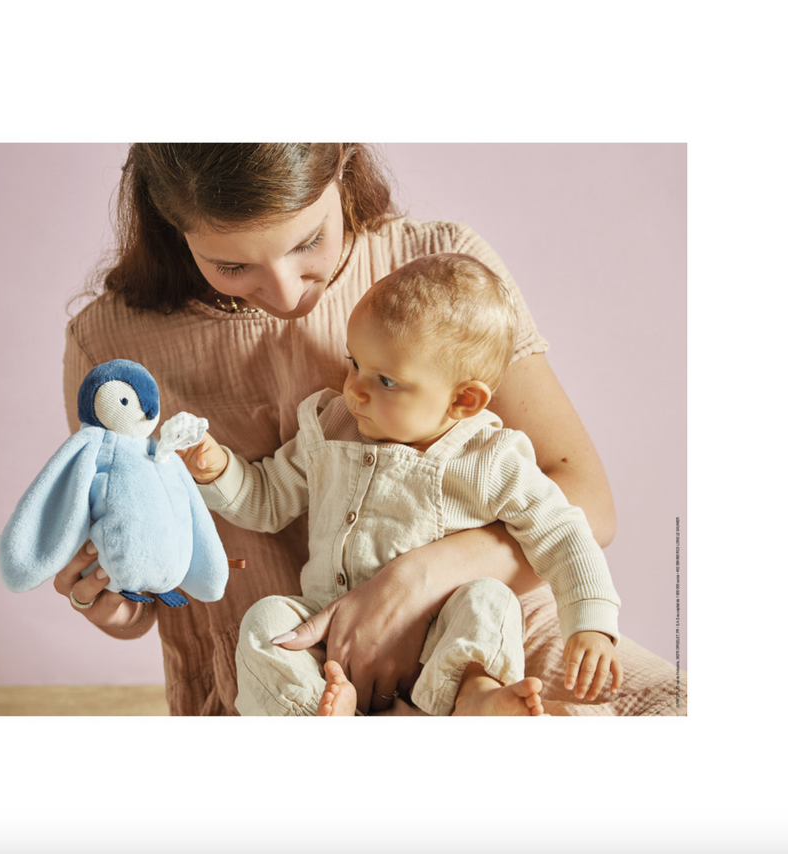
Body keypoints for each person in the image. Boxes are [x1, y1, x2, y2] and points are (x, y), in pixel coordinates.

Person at [55, 143, 685, 716]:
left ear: (343, 162)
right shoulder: (114, 355)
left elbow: (582, 505)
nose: (284, 294)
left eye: (309, 242)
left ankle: (472, 698)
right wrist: (108, 596)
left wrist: (414, 583)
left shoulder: (440, 276)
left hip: (496, 641)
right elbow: (167, 560)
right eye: (230, 265)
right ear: (172, 222)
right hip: (288, 666)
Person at [178, 252, 623, 716]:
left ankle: (474, 695)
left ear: (463, 400)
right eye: (354, 363)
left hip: (439, 640)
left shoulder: (488, 458)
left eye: (386, 381)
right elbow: (267, 499)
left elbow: (564, 533)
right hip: (331, 640)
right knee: (265, 622)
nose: (355, 389)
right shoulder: (331, 430)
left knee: (489, 601)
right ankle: (317, 712)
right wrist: (218, 470)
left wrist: (591, 621)